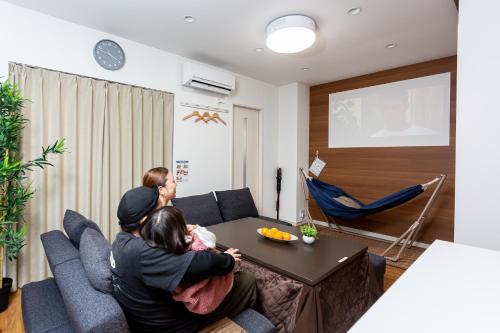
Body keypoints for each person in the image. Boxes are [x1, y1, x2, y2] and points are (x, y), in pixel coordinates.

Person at [110, 187, 257, 332]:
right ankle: (253, 322)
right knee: (247, 280)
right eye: (159, 211)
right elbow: (200, 262)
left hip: (151, 316)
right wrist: (228, 259)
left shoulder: (120, 241)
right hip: (177, 323)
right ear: (145, 221)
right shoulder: (143, 252)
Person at [140, 206, 234, 315]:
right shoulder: (192, 251)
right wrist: (229, 257)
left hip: (182, 297)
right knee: (246, 279)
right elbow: (216, 257)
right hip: (203, 299)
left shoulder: (155, 250)